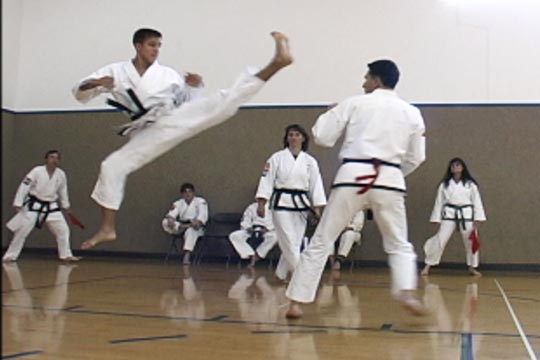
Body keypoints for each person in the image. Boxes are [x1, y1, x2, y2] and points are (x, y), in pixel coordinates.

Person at [72, 29, 293, 250]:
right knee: (111, 166)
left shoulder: (167, 75)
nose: (156, 50)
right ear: (138, 46)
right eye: (151, 45)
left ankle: (275, 64)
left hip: (171, 119)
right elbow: (80, 91)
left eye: (158, 45)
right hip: (145, 132)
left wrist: (193, 87)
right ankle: (107, 227)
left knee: (222, 103)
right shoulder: (116, 71)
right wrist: (95, 83)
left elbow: (187, 103)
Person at [285, 59, 427, 319]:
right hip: (390, 180)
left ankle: (297, 302)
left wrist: (331, 112)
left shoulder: (354, 103)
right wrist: (392, 173)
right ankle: (406, 291)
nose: (363, 83)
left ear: (376, 80)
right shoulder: (411, 112)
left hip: (351, 177)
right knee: (399, 243)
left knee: (322, 240)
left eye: (366, 78)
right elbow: (417, 157)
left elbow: (322, 137)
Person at [255, 124, 327, 282]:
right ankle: (300, 275)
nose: (293, 138)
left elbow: (316, 184)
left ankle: (281, 274)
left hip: (301, 205)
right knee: (287, 238)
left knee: (294, 241)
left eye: (297, 135)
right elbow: (266, 180)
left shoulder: (310, 161)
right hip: (281, 204)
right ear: (286, 138)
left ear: (303, 138)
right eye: (291, 135)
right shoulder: (276, 158)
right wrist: (261, 202)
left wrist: (317, 207)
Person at [3, 150, 81, 262]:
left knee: (63, 230)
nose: (54, 160)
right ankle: (10, 256)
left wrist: (66, 205)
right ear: (46, 159)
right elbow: (25, 185)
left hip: (51, 206)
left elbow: (63, 191)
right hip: (34, 205)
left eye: (56, 158)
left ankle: (66, 255)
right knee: (22, 231)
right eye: (51, 157)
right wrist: (18, 203)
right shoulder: (37, 171)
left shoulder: (61, 174)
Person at [421, 158, 486, 276]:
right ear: (450, 169)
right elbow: (439, 202)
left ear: (462, 168)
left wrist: (478, 218)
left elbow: (477, 201)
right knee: (440, 239)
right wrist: (436, 219)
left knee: (471, 241)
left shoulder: (470, 185)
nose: (455, 167)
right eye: (453, 166)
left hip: (466, 215)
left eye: (458, 165)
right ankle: (428, 265)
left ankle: (472, 267)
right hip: (449, 214)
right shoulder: (444, 185)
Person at [162, 183, 208, 265]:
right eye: (185, 192)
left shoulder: (201, 202)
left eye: (190, 191)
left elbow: (202, 216)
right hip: (180, 227)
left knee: (191, 231)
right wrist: (171, 219)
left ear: (193, 193)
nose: (187, 194)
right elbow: (171, 215)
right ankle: (183, 226)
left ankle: (187, 255)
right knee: (165, 222)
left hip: (196, 227)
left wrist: (197, 222)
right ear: (182, 194)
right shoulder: (178, 203)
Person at [229, 201, 277, 267]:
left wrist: (268, 229)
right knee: (234, 236)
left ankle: (258, 255)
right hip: (252, 230)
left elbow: (277, 222)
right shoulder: (251, 207)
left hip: (267, 230)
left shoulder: (273, 208)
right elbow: (245, 219)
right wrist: (248, 227)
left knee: (274, 237)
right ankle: (249, 254)